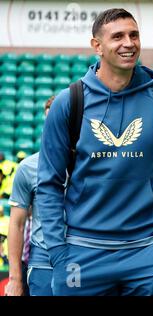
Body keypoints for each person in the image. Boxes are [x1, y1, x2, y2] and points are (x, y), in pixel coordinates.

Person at [36, 8, 153, 296]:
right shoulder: (68, 103)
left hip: (148, 254)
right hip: (82, 255)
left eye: (134, 35)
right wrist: (59, 251)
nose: (129, 43)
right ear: (97, 46)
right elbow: (48, 184)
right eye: (117, 36)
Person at [4, 96, 54, 296]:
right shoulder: (28, 168)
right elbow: (16, 224)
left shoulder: (89, 167)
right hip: (43, 264)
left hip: (83, 262)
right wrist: (15, 279)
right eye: (48, 121)